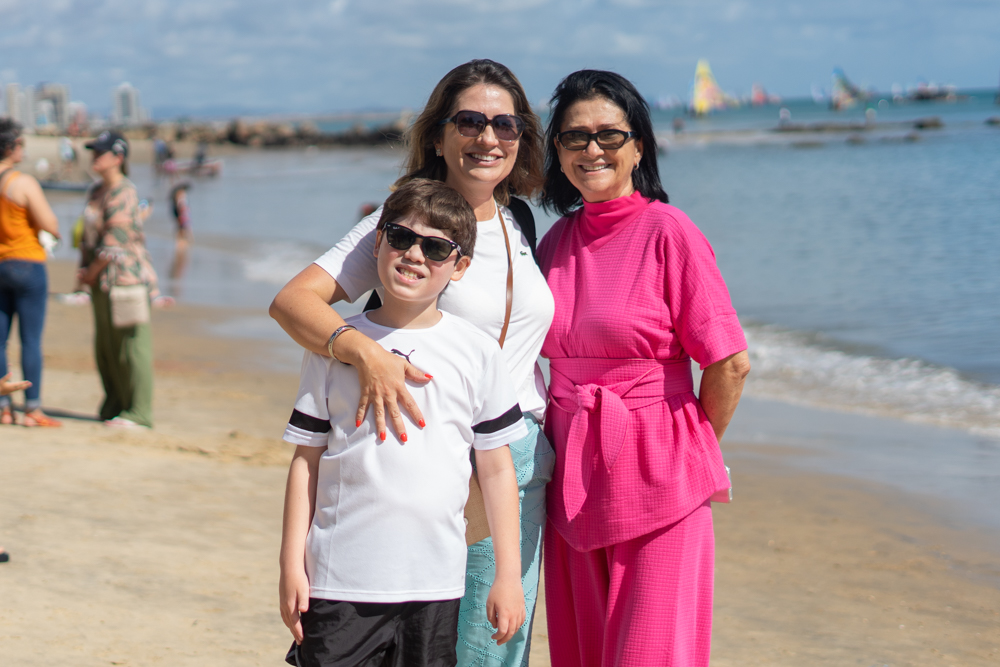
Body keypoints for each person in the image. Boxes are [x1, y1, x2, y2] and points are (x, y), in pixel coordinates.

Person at [270, 59, 555, 665]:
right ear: (438, 134)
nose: (488, 137)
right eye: (470, 121)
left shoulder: (520, 220)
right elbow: (293, 302)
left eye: (506, 125)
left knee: (497, 652)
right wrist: (365, 354)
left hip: (515, 457)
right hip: (428, 461)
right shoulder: (407, 221)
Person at [536, 70, 751, 666]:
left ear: (639, 147)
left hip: (659, 476)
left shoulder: (669, 231)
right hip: (571, 480)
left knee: (650, 653)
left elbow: (730, 362)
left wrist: (689, 450)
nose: (591, 149)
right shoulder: (553, 242)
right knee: (582, 653)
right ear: (557, 151)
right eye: (574, 137)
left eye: (609, 134)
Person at [279, 179, 526, 667]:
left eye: (436, 247)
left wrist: (509, 576)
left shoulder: (477, 352)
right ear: (378, 243)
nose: (415, 254)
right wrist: (290, 563)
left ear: (459, 268)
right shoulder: (332, 347)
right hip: (338, 581)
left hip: (436, 585)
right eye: (401, 237)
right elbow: (305, 460)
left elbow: (497, 471)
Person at [78, 131, 158, 429]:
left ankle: (139, 412)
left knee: (132, 347)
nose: (94, 157)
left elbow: (115, 242)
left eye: (101, 152)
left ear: (118, 157)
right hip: (99, 282)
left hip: (125, 280)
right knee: (107, 347)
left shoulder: (125, 192)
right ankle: (115, 404)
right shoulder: (96, 191)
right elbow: (87, 238)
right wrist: (84, 272)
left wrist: (90, 271)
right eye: (93, 152)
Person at [0, 118, 63, 427]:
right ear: (11, 148)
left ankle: (3, 406)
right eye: (21, 144)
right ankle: (33, 409)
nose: (23, 149)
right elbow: (50, 224)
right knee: (30, 341)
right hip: (26, 264)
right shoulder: (22, 183)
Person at [169, 182, 192, 280]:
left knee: (180, 237)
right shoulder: (180, 199)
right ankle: (180, 253)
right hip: (182, 219)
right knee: (183, 238)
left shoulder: (176, 198)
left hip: (180, 219)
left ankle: (179, 252)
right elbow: (183, 211)